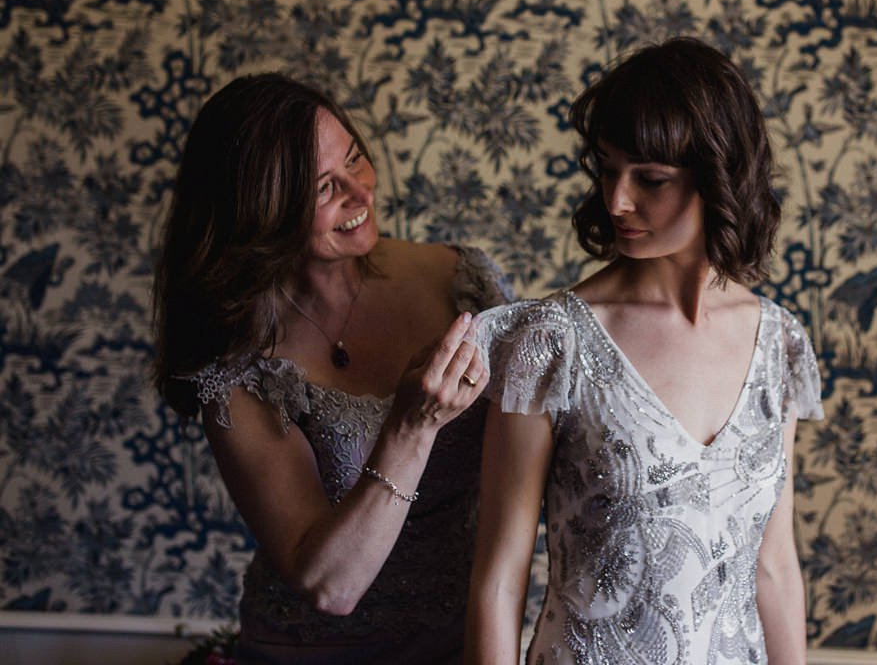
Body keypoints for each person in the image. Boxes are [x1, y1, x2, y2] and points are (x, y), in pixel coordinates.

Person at [464, 37, 823, 665]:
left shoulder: (781, 346)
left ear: (720, 178)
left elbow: (774, 567)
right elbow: (500, 576)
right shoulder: (554, 341)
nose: (617, 200)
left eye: (650, 179)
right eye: (607, 169)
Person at [152, 73, 512, 664]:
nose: (358, 193)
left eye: (355, 160)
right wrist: (411, 426)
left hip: (463, 643)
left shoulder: (461, 281)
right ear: (261, 211)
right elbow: (329, 586)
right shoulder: (232, 360)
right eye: (323, 188)